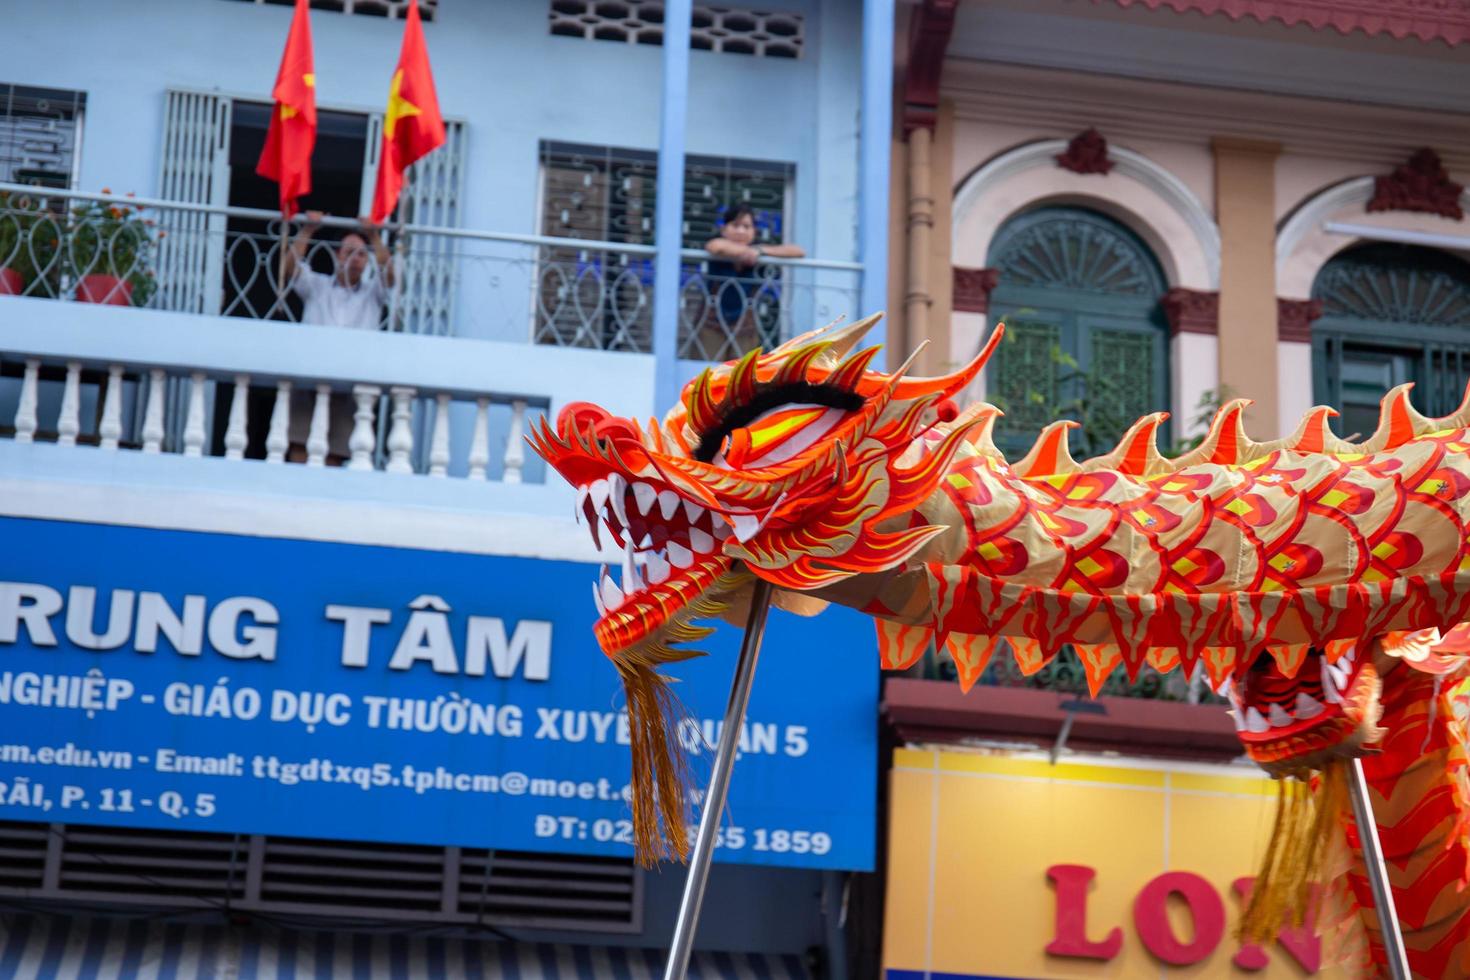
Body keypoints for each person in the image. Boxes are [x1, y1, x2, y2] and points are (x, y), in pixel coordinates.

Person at [280, 212, 396, 464]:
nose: (355, 259)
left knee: (334, 455)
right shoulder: (317, 286)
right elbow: (289, 269)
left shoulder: (372, 294)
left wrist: (374, 236)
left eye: (361, 254)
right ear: (336, 255)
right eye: (349, 252)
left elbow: (389, 275)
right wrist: (308, 230)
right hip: (310, 378)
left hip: (350, 383)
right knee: (300, 449)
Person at [699, 204, 805, 358]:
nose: (741, 231)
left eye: (746, 226)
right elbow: (715, 246)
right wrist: (748, 252)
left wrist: (760, 251)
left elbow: (799, 252)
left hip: (745, 328)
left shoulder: (759, 252)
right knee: (707, 374)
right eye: (735, 225)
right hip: (711, 325)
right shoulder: (718, 246)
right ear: (724, 230)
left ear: (754, 232)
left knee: (741, 376)